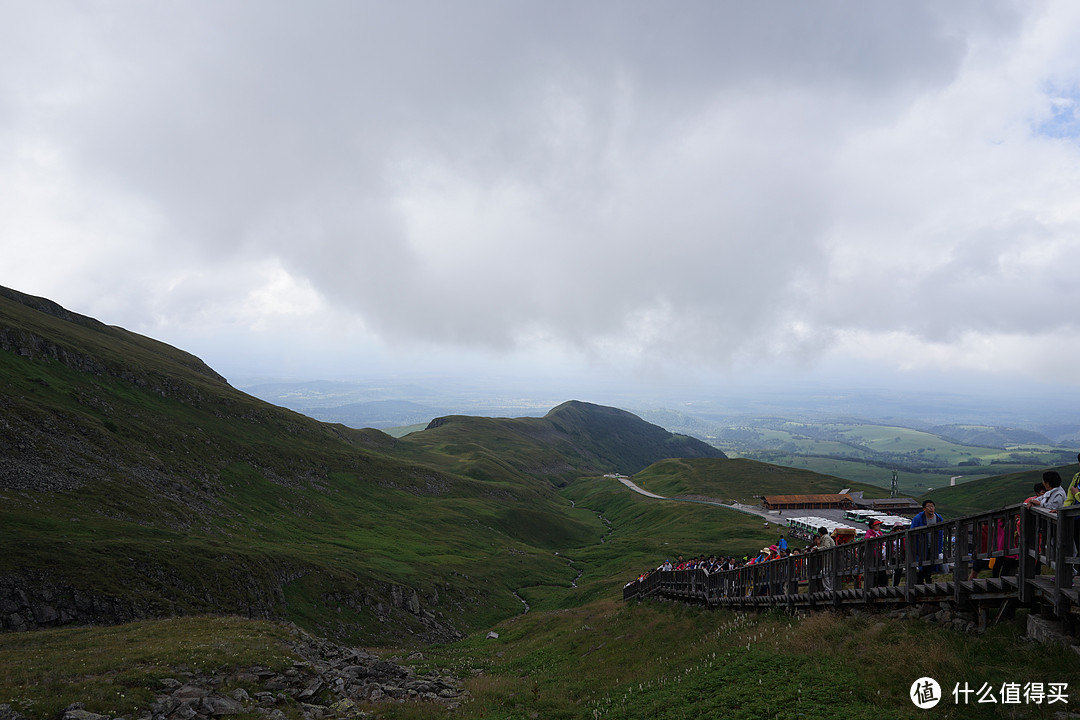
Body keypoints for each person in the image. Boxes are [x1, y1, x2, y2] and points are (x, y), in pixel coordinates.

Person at [910, 500, 945, 584]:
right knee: (923, 562)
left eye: (932, 506)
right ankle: (923, 580)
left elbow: (941, 533)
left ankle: (924, 580)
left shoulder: (939, 518)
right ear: (924, 509)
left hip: (934, 544)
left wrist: (940, 545)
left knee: (931, 562)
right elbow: (912, 531)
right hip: (921, 545)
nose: (931, 508)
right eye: (928, 506)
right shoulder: (918, 518)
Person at [815, 526, 835, 592]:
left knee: (824, 573)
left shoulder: (826, 538)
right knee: (830, 574)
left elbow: (827, 547)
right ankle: (831, 588)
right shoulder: (828, 537)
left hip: (828, 559)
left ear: (820, 533)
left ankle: (828, 588)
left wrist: (818, 548)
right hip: (831, 558)